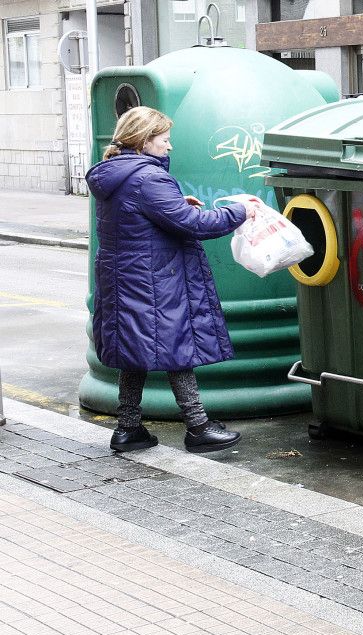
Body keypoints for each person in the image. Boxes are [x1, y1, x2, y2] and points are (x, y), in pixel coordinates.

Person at [85, 106, 257, 454]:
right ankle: (198, 427)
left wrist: (179, 204)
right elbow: (193, 225)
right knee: (177, 344)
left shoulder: (114, 173)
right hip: (153, 278)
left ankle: (128, 428)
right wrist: (240, 212)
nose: (169, 146)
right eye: (164, 139)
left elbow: (146, 215)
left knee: (135, 351)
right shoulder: (149, 178)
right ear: (145, 141)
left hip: (123, 276)